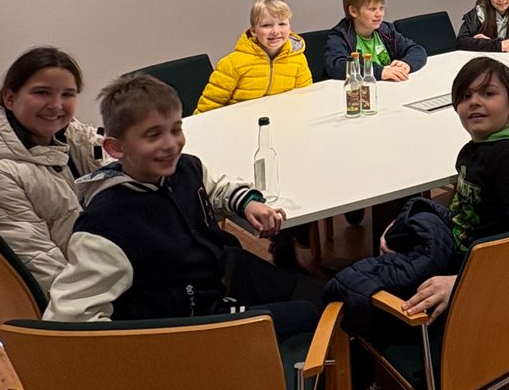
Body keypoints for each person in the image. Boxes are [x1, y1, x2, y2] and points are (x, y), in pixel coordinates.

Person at [323, 57, 509, 390]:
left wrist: (459, 282)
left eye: (488, 93)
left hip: (475, 283)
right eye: (465, 96)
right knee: (409, 222)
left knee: (348, 296)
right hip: (465, 257)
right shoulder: (484, 150)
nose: (474, 102)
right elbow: (469, 212)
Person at [44, 75, 324, 338]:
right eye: (153, 135)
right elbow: (68, 319)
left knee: (320, 293)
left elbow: (216, 189)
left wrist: (248, 203)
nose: (171, 144)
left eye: (176, 129)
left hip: (217, 277)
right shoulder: (105, 226)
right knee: (311, 315)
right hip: (193, 324)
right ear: (116, 148)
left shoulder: (187, 167)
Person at [0, 47, 103, 294]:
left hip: (97, 260)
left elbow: (113, 153)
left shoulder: (64, 134)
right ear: (10, 98)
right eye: (42, 93)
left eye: (68, 94)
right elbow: (44, 273)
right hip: (79, 296)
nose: (56, 106)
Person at [195, 0, 312, 113]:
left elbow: (306, 97)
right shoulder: (232, 64)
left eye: (282, 24)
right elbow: (209, 106)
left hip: (283, 118)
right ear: (253, 31)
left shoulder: (298, 59)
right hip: (238, 123)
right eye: (266, 25)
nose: (275, 31)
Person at [323, 0, 427, 81]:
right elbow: (336, 66)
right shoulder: (339, 36)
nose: (379, 14)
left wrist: (407, 64)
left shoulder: (386, 30)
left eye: (381, 8)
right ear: (353, 11)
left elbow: (417, 50)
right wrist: (379, 72)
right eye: (372, 9)